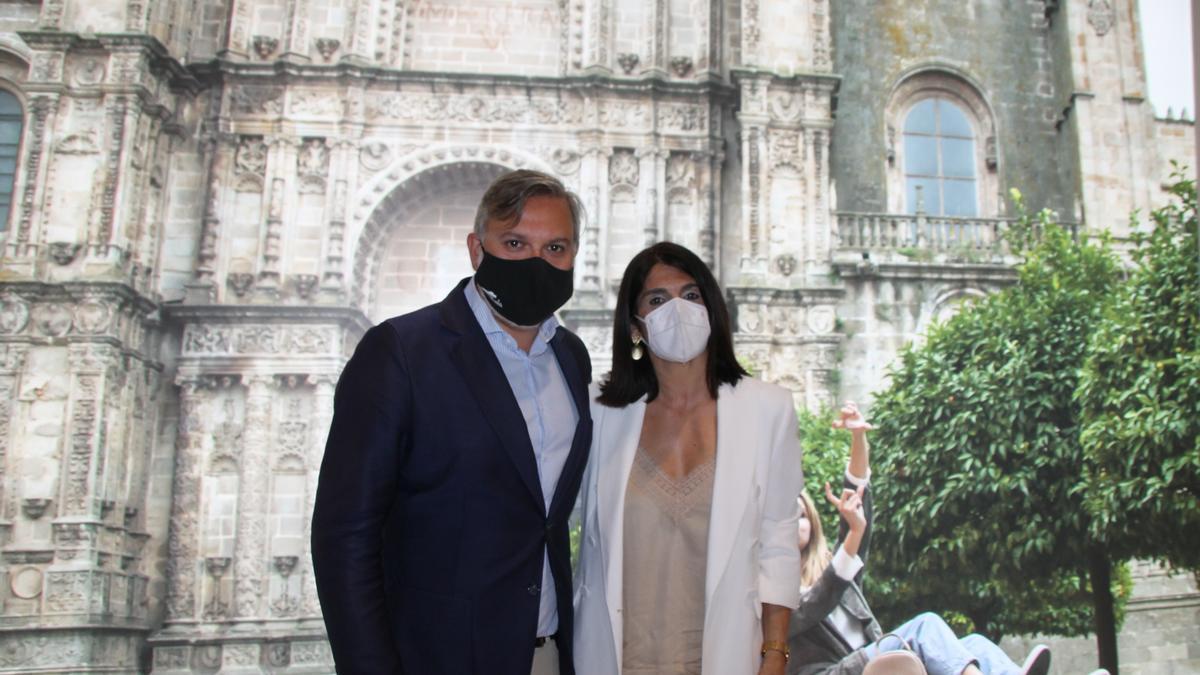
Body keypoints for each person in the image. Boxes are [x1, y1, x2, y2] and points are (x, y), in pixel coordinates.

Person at [312, 169, 593, 675]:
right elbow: (344, 536)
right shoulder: (400, 352)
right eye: (514, 242)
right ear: (476, 249)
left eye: (556, 248)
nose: (537, 261)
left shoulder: (571, 357)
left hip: (548, 651)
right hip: (434, 656)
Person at [573, 242, 804, 675]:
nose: (677, 309)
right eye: (657, 300)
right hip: (617, 658)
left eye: (691, 295)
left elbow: (779, 539)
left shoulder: (768, 409)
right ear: (636, 325)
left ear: (712, 309)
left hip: (724, 656)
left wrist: (775, 653)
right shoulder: (598, 413)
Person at [786, 403, 1053, 675]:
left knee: (976, 645)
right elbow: (816, 603)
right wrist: (852, 539)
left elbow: (857, 498)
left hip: (877, 665)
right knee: (925, 627)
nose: (795, 522)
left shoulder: (836, 568)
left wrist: (858, 438)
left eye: (802, 515)